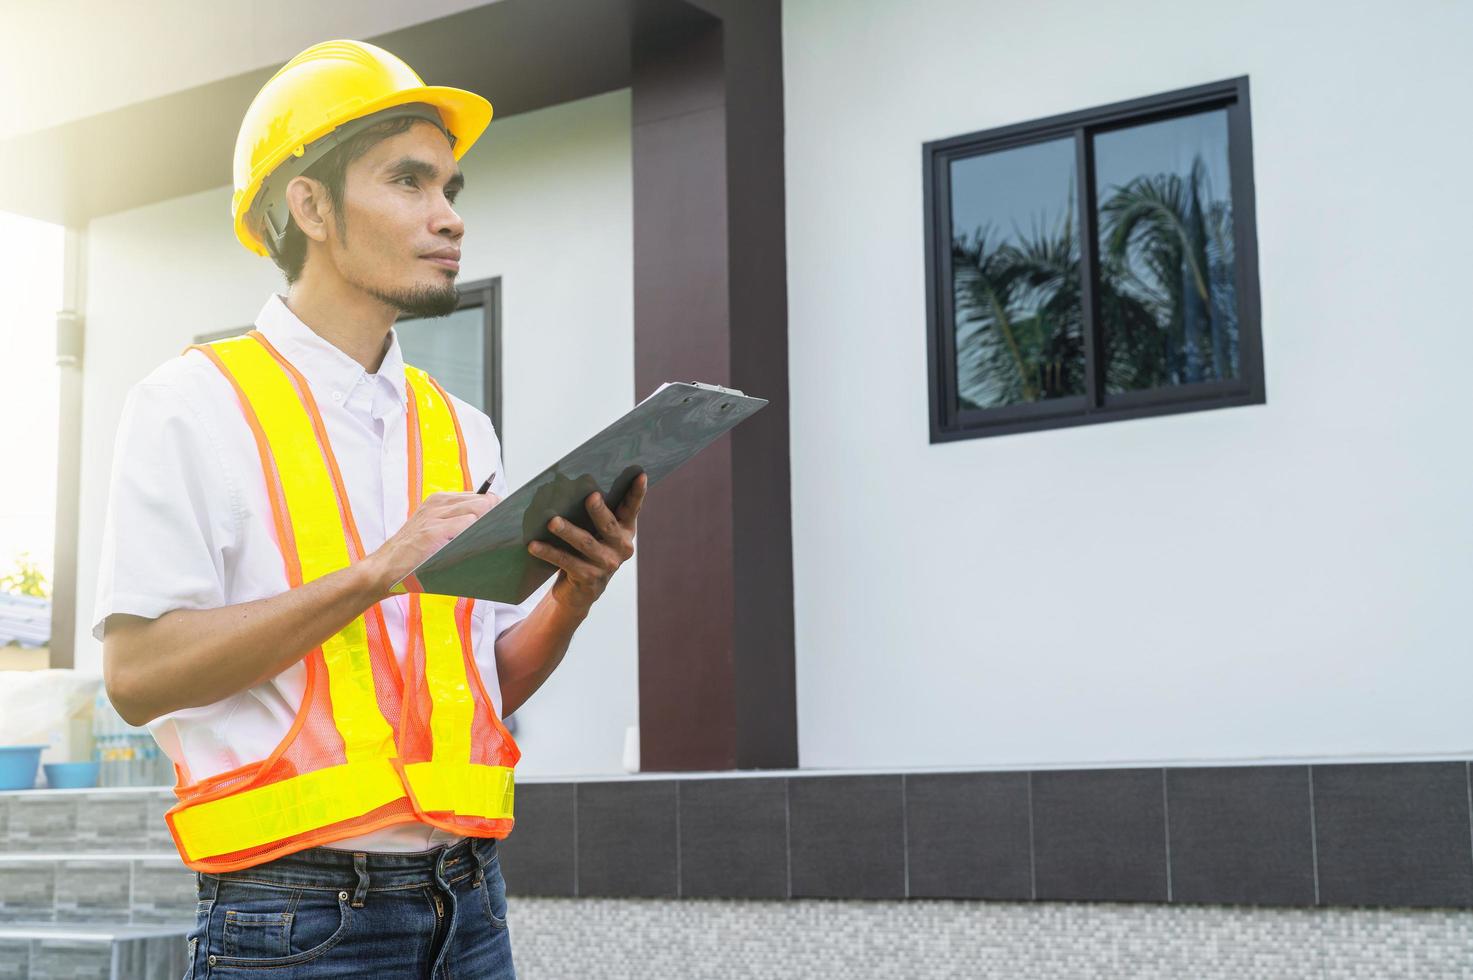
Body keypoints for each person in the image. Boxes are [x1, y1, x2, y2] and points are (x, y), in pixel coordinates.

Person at [92, 39, 644, 978]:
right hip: (291, 922)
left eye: (451, 192)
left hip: (468, 904)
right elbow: (138, 675)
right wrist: (376, 571)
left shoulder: (459, 429)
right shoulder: (189, 405)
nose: (447, 218)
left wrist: (573, 596)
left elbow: (485, 687)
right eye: (409, 183)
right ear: (310, 205)